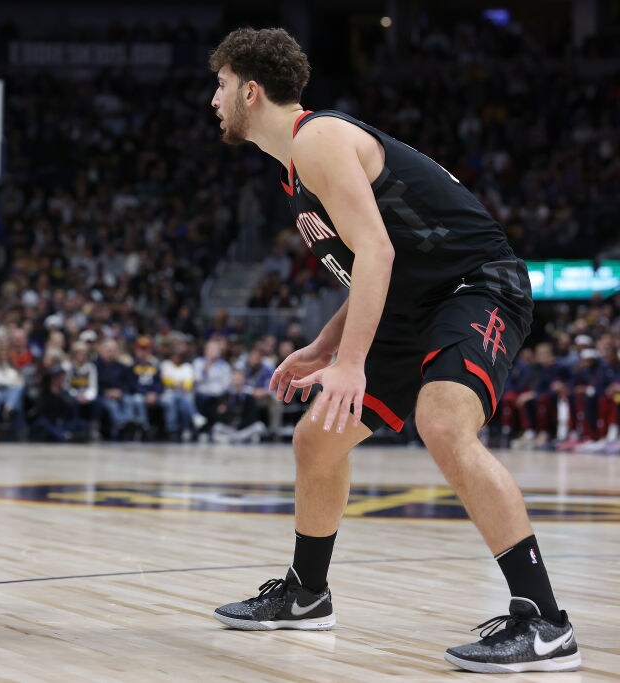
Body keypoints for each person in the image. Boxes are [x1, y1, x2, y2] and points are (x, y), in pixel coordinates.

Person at [207, 28, 579, 673]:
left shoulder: (316, 138)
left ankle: (544, 622)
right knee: (317, 439)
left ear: (250, 90)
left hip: (476, 284)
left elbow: (379, 253)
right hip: (416, 301)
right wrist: (325, 346)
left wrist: (351, 363)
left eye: (218, 85)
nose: (212, 100)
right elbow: (380, 268)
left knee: (443, 421)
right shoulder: (296, 170)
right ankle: (306, 593)